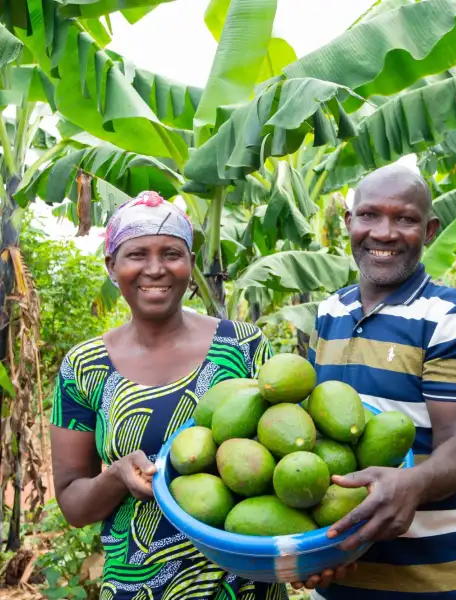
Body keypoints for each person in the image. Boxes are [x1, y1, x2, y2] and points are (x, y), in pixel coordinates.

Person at [49, 192, 347, 600]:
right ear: (112, 266)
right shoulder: (85, 366)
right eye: (136, 254)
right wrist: (118, 475)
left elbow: (300, 462)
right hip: (137, 588)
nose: (155, 269)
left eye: (171, 253)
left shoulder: (243, 347)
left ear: (190, 264)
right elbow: (73, 503)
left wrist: (314, 555)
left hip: (245, 588)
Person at [304, 164, 456, 600]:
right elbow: (313, 426)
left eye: (405, 219)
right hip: (339, 571)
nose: (385, 233)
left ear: (430, 230)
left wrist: (412, 484)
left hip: (434, 579)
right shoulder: (330, 311)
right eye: (369, 215)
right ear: (348, 222)